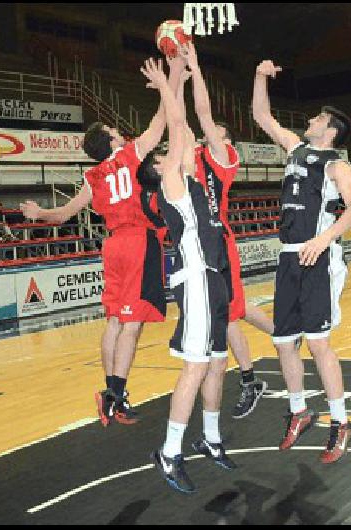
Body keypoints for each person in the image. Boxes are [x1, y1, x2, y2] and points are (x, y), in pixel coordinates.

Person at [20, 57, 184, 426]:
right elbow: (162, 122)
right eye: (113, 130)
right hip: (138, 242)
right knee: (131, 323)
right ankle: (117, 394)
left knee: (114, 320)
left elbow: (62, 215)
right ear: (110, 140)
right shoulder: (129, 155)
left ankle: (111, 392)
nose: (118, 132)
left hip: (111, 247)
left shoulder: (92, 176)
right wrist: (168, 81)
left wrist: (39, 213)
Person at [253, 59, 351, 464]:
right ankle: (299, 410)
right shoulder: (295, 148)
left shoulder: (338, 165)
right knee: (283, 342)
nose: (311, 120)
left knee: (318, 343)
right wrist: (259, 76)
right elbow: (261, 115)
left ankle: (341, 421)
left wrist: (323, 238)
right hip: (288, 256)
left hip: (319, 256)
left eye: (318, 117)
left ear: (330, 130)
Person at [139, 57, 238, 494]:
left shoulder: (195, 183)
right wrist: (169, 84)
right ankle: (169, 450)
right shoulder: (171, 187)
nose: (171, 153)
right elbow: (178, 128)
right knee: (195, 368)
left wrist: (180, 78)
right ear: (159, 170)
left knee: (217, 363)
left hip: (215, 277)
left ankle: (210, 439)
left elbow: (189, 128)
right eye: (164, 156)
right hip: (197, 281)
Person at [179, 42, 272, 419]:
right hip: (194, 246)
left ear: (227, 142)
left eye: (214, 134)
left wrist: (196, 68)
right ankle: (285, 334)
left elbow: (200, 113)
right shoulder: (195, 156)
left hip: (217, 243)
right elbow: (183, 123)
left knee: (229, 315)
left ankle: (250, 380)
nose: (207, 136)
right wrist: (173, 84)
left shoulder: (224, 159)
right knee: (235, 310)